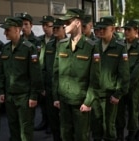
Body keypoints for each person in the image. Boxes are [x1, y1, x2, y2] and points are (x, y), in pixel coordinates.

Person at [52, 8, 98, 141]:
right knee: (65, 134)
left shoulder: (91, 46)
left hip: (80, 102)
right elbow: (56, 73)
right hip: (64, 100)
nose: (64, 25)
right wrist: (56, 96)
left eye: (68, 22)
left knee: (81, 136)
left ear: (77, 22)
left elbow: (95, 77)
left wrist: (89, 101)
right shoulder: (61, 45)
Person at [0, 17, 43, 141]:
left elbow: (35, 74)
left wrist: (33, 96)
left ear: (18, 30)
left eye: (8, 30)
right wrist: (1, 91)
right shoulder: (5, 48)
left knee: (25, 130)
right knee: (13, 127)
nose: (5, 33)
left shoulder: (29, 48)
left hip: (24, 96)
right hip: (10, 95)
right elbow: (1, 72)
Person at [91, 16, 130, 141]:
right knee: (96, 126)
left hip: (110, 94)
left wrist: (118, 94)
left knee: (109, 127)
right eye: (99, 28)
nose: (101, 31)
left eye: (104, 28)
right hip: (95, 93)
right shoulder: (94, 45)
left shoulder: (119, 47)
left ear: (112, 28)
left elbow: (124, 73)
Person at [116, 20, 139, 141]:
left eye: (129, 30)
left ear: (136, 31)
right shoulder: (120, 45)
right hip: (120, 86)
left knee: (133, 112)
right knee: (119, 113)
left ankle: (132, 135)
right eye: (125, 30)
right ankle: (119, 135)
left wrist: (126, 85)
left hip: (133, 87)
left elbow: (137, 72)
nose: (126, 32)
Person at [42, 18, 66, 141]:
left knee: (66, 121)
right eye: (54, 28)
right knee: (53, 119)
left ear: (64, 29)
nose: (55, 30)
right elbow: (44, 66)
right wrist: (44, 86)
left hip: (64, 88)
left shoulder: (70, 44)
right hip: (50, 87)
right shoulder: (49, 45)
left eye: (58, 28)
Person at [35, 15, 55, 132]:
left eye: (48, 25)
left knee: (52, 103)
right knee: (43, 102)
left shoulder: (57, 39)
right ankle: (44, 121)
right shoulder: (39, 40)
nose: (45, 28)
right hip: (41, 75)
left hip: (51, 75)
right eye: (43, 25)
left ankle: (52, 125)